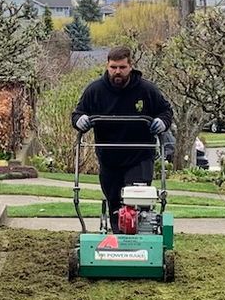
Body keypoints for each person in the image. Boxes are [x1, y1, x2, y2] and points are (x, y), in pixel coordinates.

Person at [71, 45, 176, 216]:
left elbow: (165, 111)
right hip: (109, 158)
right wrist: (80, 121)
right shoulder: (95, 91)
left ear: (130, 66)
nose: (117, 72)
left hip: (139, 156)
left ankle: (141, 234)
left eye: (122, 67)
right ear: (107, 66)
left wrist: (162, 122)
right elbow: (78, 113)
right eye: (113, 67)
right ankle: (118, 236)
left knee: (136, 200)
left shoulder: (146, 90)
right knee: (114, 203)